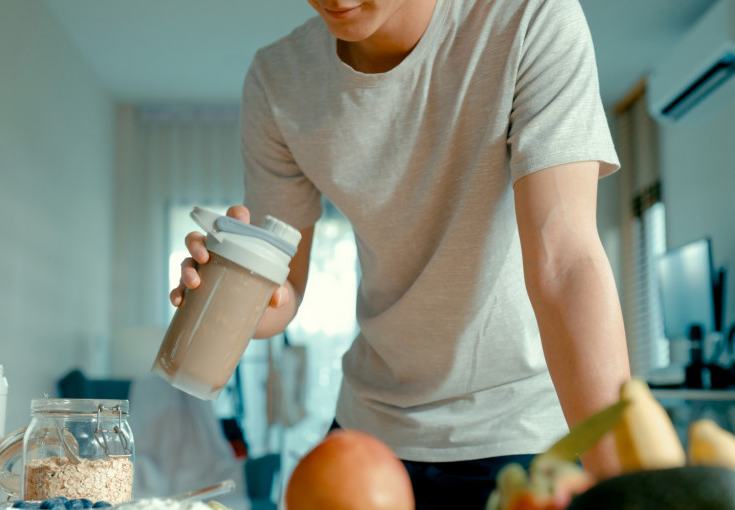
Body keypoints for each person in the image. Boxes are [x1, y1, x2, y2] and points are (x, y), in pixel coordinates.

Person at [170, 0, 631, 507]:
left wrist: (632, 487)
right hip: (368, 435)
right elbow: (287, 291)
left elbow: (564, 264)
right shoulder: (278, 80)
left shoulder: (529, 19)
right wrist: (239, 285)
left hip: (519, 430)